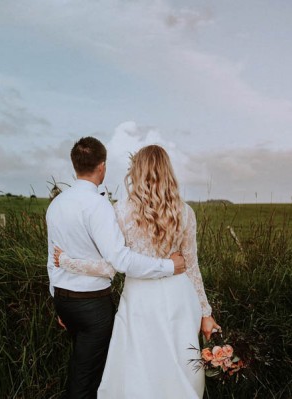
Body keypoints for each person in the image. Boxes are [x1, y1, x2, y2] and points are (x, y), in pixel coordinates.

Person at [55, 144, 220, 398]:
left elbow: (111, 267)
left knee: (140, 368)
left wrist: (68, 262)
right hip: (180, 298)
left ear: (137, 171)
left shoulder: (121, 210)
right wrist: (205, 312)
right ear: (168, 171)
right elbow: (192, 265)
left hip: (140, 300)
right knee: (178, 368)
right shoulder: (185, 212)